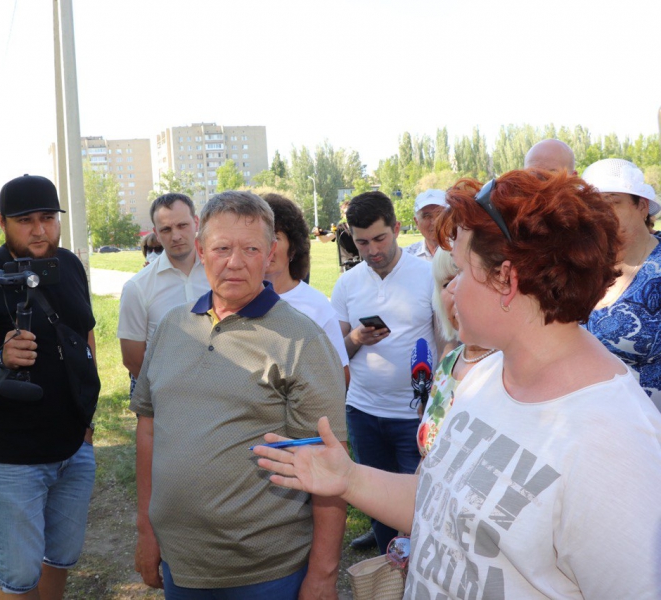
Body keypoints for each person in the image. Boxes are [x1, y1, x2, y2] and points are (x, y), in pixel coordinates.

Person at [254, 169, 661, 598]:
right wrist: (349, 478)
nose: (450, 292)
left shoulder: (614, 442)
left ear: (506, 280)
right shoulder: (484, 376)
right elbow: (439, 502)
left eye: (461, 271)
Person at [131, 191, 348, 599]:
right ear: (201, 251)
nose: (235, 262)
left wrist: (323, 575)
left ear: (269, 254)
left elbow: (330, 464)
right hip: (181, 565)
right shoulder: (171, 328)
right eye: (222, 248)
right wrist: (146, 529)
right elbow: (148, 430)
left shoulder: (303, 340)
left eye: (250, 249)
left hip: (267, 572)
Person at [0, 174, 96, 599]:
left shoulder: (69, 266)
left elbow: (85, 336)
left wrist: (86, 422)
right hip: (12, 459)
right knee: (20, 575)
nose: (39, 230)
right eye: (25, 220)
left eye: (48, 218)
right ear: (2, 222)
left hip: (74, 449)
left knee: (61, 557)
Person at [329, 191, 436, 554]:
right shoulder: (347, 284)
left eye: (380, 239)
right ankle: (387, 570)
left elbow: (448, 343)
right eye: (362, 242)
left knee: (417, 506)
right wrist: (356, 338)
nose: (372, 250)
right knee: (377, 504)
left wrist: (435, 401)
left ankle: (418, 573)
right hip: (363, 413)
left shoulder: (428, 276)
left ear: (397, 228)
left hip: (414, 416)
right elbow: (336, 353)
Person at [583, 158, 661, 409]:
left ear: (642, 206)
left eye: (612, 202)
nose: (600, 214)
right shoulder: (581, 265)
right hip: (586, 417)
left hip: (648, 423)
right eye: (592, 205)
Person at [118, 194, 210, 397]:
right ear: (156, 234)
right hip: (163, 400)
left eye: (182, 225)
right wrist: (165, 397)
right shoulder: (137, 288)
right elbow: (132, 359)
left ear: (196, 223)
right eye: (166, 229)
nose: (176, 236)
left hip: (220, 396)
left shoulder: (219, 274)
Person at [261, 192, 350, 387]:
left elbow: (340, 376)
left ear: (293, 248)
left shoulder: (316, 306)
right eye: (260, 238)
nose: (267, 247)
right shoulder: (238, 301)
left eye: (275, 237)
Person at [416, 247, 497, 457]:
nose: (454, 291)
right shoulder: (448, 363)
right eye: (445, 284)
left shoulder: (510, 366)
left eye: (463, 278)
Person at [405, 189, 447, 261]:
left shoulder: (463, 254)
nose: (434, 222)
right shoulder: (407, 257)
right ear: (417, 222)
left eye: (439, 215)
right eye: (427, 216)